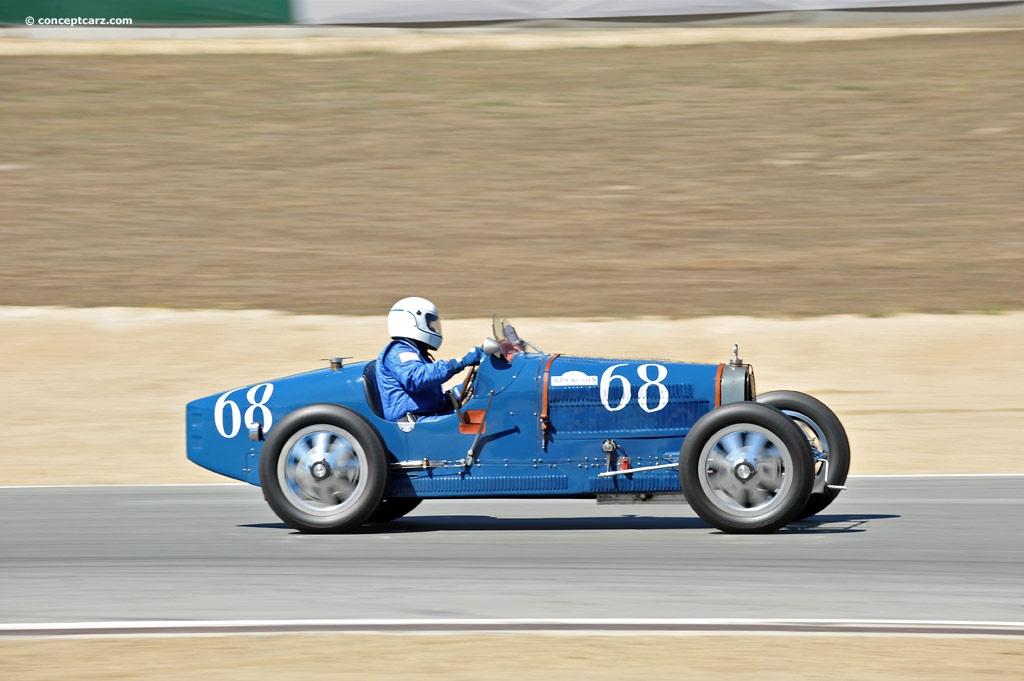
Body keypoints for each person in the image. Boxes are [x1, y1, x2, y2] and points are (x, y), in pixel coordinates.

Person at [376, 297, 484, 422]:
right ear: (412, 322)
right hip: (413, 422)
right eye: (429, 323)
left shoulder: (417, 352)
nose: (433, 329)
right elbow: (416, 378)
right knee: (478, 424)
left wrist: (473, 385)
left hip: (428, 415)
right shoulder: (399, 351)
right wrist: (460, 362)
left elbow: (432, 398)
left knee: (483, 415)